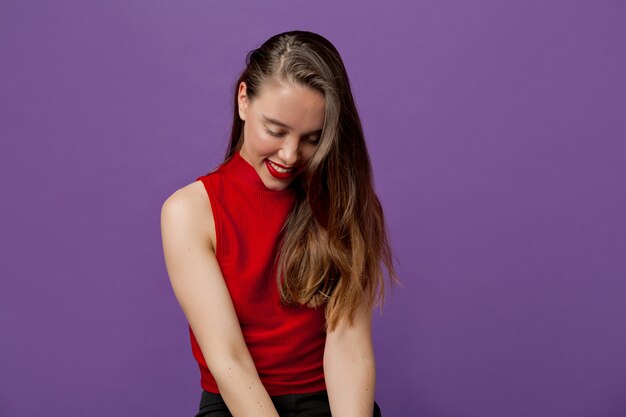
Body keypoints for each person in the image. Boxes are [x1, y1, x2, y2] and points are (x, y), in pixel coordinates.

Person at [161, 30, 400, 417]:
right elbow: (229, 361)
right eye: (275, 130)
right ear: (243, 101)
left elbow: (349, 350)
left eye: (312, 138)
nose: (290, 155)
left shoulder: (344, 201)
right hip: (236, 405)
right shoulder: (189, 211)